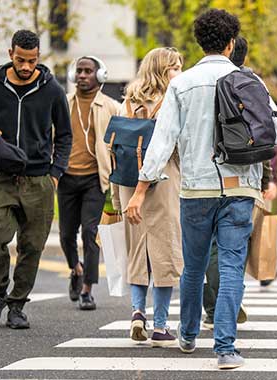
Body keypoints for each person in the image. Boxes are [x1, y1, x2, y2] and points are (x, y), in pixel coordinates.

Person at [124, 9, 277, 369]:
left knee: (194, 266)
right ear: (231, 43)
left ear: (200, 42)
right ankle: (225, 348)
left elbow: (161, 142)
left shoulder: (183, 83)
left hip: (196, 188)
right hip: (241, 187)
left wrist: (140, 189)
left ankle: (188, 335)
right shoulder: (249, 80)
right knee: (230, 265)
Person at [201, 36, 277, 329]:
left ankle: (211, 309)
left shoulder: (195, 80)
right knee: (233, 247)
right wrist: (267, 176)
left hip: (202, 179)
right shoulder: (253, 83)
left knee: (208, 247)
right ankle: (230, 306)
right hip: (242, 178)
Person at [0, 30, 72, 330]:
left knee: (32, 246)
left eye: (32, 61)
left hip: (39, 178)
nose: (26, 66)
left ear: (38, 58)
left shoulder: (51, 89)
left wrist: (55, 174)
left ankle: (17, 305)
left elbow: (64, 136)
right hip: (1, 177)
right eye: (20, 60)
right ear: (10, 53)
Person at [111, 47, 184, 346]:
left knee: (137, 251)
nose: (179, 72)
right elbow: (178, 146)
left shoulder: (127, 103)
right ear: (162, 70)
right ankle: (162, 325)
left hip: (129, 181)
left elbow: (113, 148)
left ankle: (137, 313)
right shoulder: (173, 101)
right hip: (164, 181)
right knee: (165, 252)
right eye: (175, 67)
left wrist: (117, 198)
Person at [60, 56, 120, 311]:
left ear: (100, 75)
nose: (83, 75)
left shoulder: (111, 107)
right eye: (79, 71)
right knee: (65, 235)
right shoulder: (63, 103)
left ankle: (87, 290)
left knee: (90, 233)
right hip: (65, 176)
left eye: (88, 71)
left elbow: (118, 144)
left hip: (95, 179)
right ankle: (76, 268)